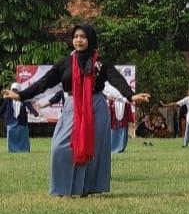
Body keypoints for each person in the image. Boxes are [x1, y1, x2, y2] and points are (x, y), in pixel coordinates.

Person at [1, 24, 150, 197]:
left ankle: (85, 189)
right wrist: (20, 96)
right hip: (72, 107)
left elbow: (116, 79)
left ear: (91, 39)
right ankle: (64, 189)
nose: (78, 40)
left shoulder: (100, 63)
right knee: (60, 147)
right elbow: (44, 82)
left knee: (92, 149)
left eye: (83, 37)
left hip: (96, 108)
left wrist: (131, 96)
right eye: (76, 36)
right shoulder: (65, 63)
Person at [1, 83, 40, 152]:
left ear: (19, 90)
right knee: (11, 135)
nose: (14, 91)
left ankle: (24, 149)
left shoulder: (23, 98)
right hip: (11, 121)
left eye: (16, 89)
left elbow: (29, 106)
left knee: (23, 136)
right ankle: (12, 150)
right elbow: (2, 109)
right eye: (13, 90)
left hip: (21, 121)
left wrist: (35, 113)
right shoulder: (8, 99)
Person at [105, 85, 135, 154]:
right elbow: (109, 110)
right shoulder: (111, 100)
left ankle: (121, 148)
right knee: (113, 134)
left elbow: (129, 111)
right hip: (114, 121)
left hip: (123, 121)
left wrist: (131, 121)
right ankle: (112, 147)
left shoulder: (126, 100)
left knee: (123, 134)